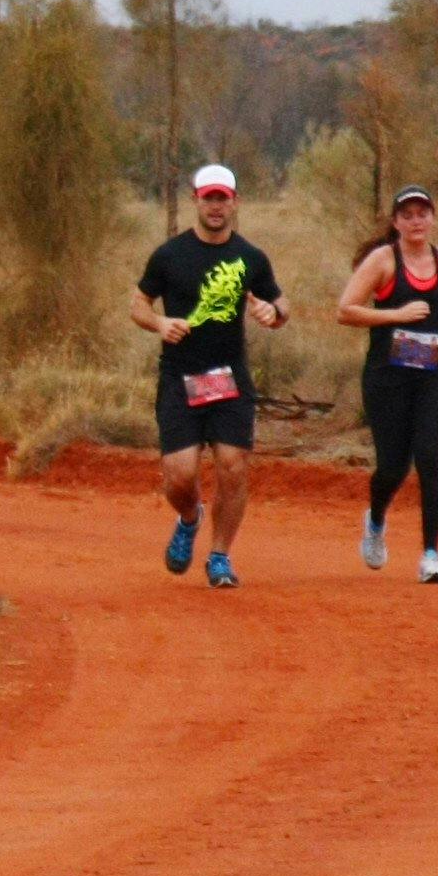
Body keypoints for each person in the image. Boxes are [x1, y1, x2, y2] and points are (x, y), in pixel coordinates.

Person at [130, 162, 287, 587]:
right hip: (180, 376)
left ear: (234, 203)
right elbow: (138, 303)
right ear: (195, 201)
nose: (216, 206)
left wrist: (272, 313)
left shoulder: (251, 257)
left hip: (229, 377)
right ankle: (188, 517)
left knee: (233, 466)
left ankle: (220, 557)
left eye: (223, 198)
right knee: (180, 476)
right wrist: (160, 325)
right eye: (208, 198)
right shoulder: (169, 255)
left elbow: (281, 306)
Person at [335, 185, 438, 583]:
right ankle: (376, 519)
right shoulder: (382, 261)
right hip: (388, 377)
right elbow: (345, 311)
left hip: (437, 374)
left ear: (433, 218)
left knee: (432, 458)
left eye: (422, 213)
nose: (416, 221)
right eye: (408, 215)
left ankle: (431, 554)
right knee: (393, 467)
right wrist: (395, 315)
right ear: (395, 221)